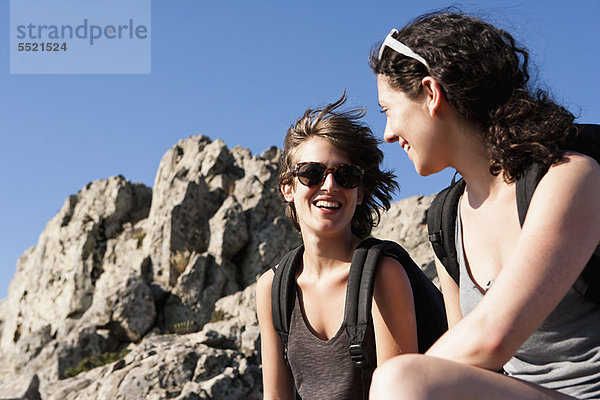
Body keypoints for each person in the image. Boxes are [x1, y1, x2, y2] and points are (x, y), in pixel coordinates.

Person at [368, 10, 600, 400]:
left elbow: (490, 340)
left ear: (430, 93)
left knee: (403, 381)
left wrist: (399, 382)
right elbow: (469, 363)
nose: (388, 134)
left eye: (388, 110)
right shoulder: (444, 220)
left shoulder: (568, 178)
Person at [256, 94, 420, 399]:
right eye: (312, 173)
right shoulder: (272, 289)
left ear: (359, 193)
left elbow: (400, 391)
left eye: (346, 175)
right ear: (288, 188)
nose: (329, 186)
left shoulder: (383, 275)